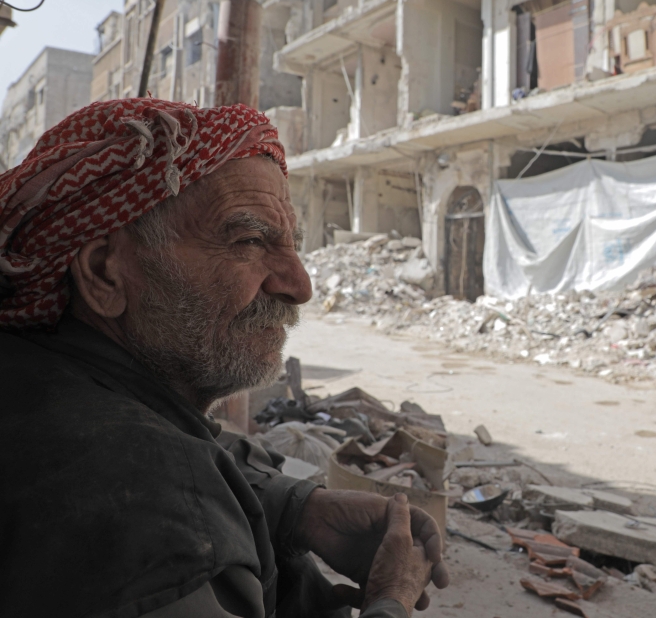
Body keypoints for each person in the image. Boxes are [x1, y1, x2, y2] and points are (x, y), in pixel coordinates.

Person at [0, 98, 449, 617]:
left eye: (292, 245)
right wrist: (390, 599)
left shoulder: (40, 374)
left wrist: (295, 509)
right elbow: (155, 487)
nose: (299, 286)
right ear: (104, 271)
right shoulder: (154, 508)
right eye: (251, 241)